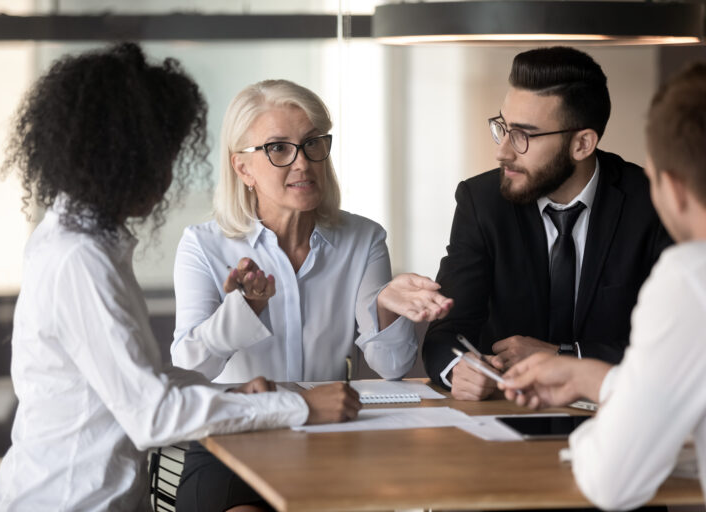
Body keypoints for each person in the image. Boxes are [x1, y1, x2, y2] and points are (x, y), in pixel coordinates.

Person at [0, 43, 360, 511]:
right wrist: (301, 406)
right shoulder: (79, 260)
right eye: (162, 158)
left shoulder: (79, 237)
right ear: (121, 158)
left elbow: (143, 377)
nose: (168, 178)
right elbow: (155, 416)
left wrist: (230, 393)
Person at [170, 79, 452, 511]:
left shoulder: (364, 238)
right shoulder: (203, 245)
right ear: (243, 168)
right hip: (234, 437)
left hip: (334, 437)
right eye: (278, 148)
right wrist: (244, 310)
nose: (303, 163)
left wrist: (384, 308)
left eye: (312, 143)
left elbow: (392, 366)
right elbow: (190, 368)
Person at [500, 62, 706, 511]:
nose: (504, 150)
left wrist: (604, 418)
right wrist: (598, 378)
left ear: (671, 188)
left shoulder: (690, 278)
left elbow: (614, 482)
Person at [422, 46, 671, 401]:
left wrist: (566, 358)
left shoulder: (651, 203)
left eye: (523, 135)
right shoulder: (481, 202)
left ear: (582, 143)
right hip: (506, 417)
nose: (503, 151)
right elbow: (446, 332)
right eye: (503, 128)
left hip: (620, 411)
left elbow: (672, 345)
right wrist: (460, 369)